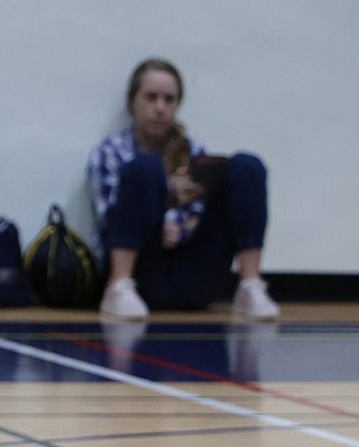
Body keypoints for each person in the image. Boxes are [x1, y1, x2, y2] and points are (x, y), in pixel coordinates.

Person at [89, 58, 278, 320]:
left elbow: (201, 211)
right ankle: (119, 286)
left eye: (169, 100)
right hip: (142, 271)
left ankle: (250, 285)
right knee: (145, 167)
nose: (160, 108)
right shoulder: (109, 152)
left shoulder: (194, 152)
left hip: (194, 270)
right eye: (151, 97)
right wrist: (168, 200)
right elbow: (111, 216)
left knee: (247, 165)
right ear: (132, 102)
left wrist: (182, 226)